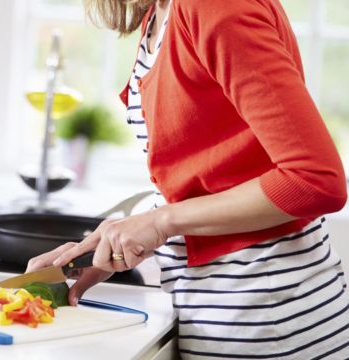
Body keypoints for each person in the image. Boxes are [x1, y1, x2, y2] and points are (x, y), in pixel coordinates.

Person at [26, 0, 349, 357]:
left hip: (265, 317)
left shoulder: (215, 6)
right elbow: (209, 178)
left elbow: (314, 180)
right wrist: (113, 241)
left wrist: (161, 222)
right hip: (216, 312)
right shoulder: (160, 13)